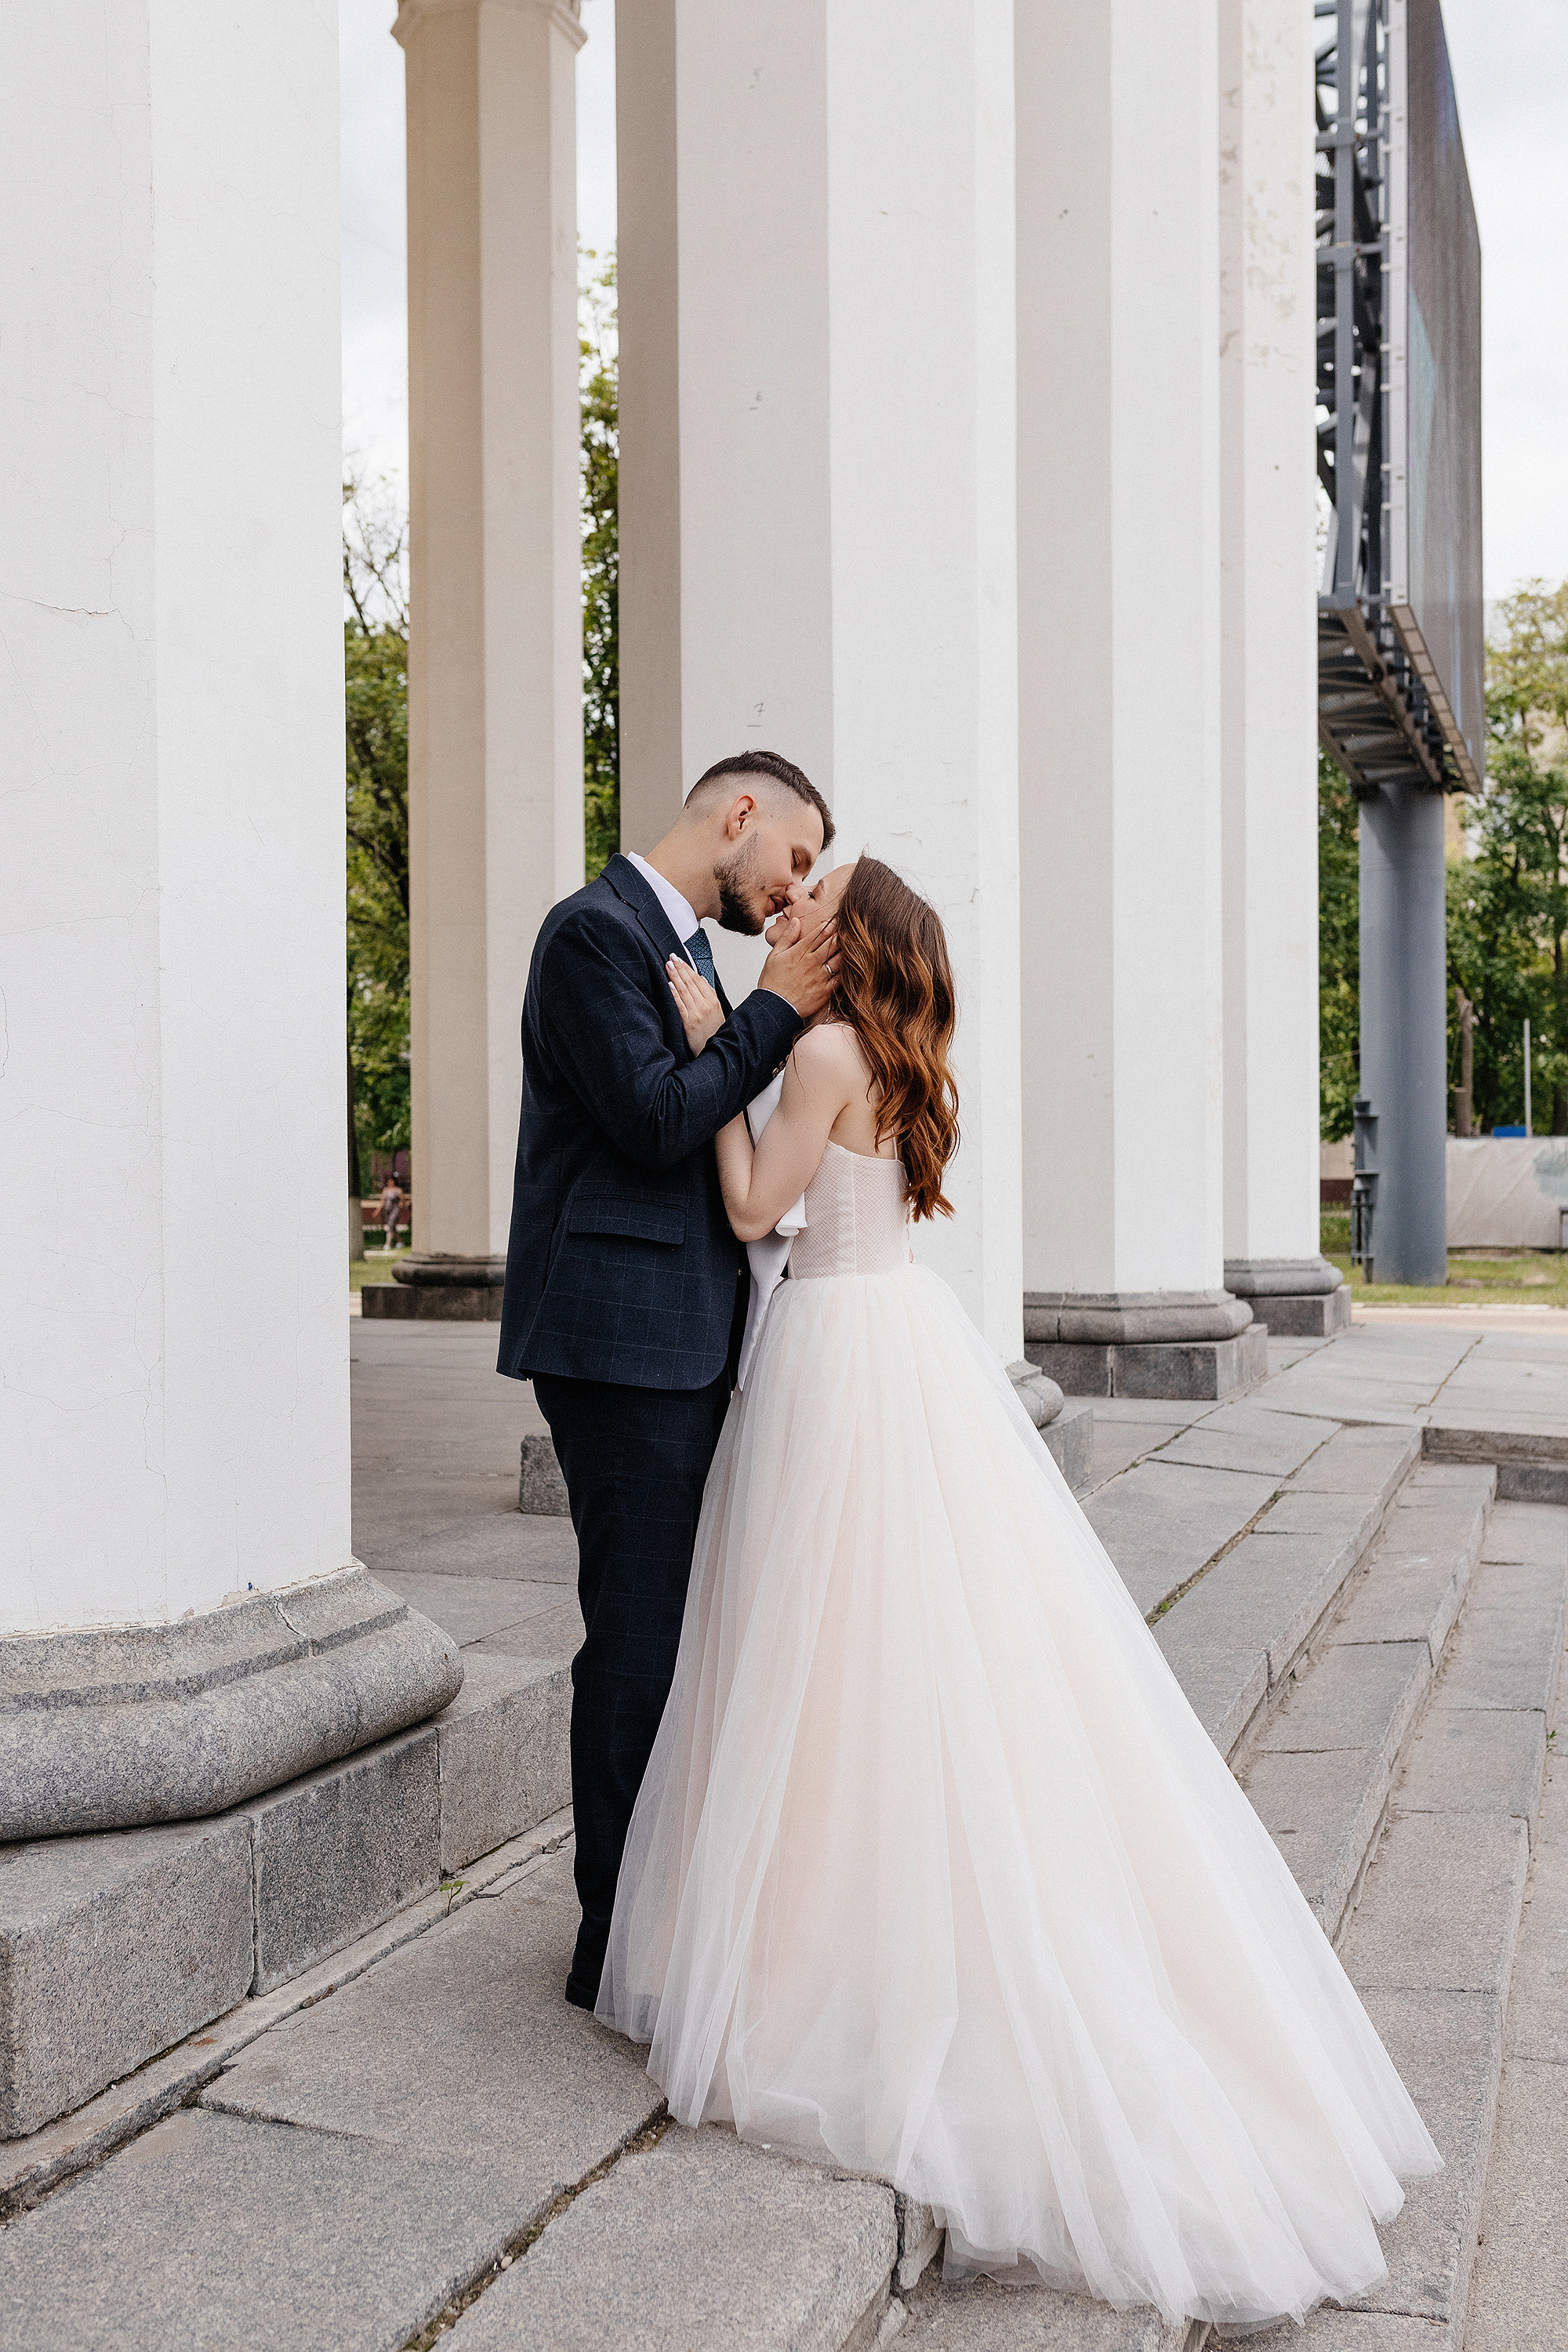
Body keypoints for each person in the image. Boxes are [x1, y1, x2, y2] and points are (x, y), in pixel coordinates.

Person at [597, 855, 1442, 2337]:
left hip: (831, 1363)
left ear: (848, 944)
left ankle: (814, 1928)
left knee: (821, 1655)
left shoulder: (816, 1050)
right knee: (903, 1654)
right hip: (903, 1345)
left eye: (817, 899)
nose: (788, 907)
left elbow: (749, 1210)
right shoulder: (902, 1061)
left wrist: (705, 1056)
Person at [498, 749, 840, 2012]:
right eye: (795, 857)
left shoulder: (686, 949)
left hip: (685, 1335)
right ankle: (615, 1954)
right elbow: (651, 1117)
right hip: (619, 1342)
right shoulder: (592, 934)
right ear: (739, 815)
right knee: (638, 1646)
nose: (792, 889)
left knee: (677, 1641)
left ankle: (660, 1921)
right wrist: (779, 1014)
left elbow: (710, 1115)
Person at [376, 1171, 404, 1251]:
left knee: (391, 1225)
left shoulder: (398, 1190)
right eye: (388, 1181)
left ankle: (387, 1244)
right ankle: (400, 1241)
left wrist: (406, 1209)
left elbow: (403, 1200)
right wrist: (377, 1211)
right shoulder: (385, 1190)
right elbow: (382, 1202)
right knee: (392, 1226)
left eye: (391, 1181)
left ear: (394, 1181)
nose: (389, 1183)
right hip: (387, 1211)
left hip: (395, 1210)